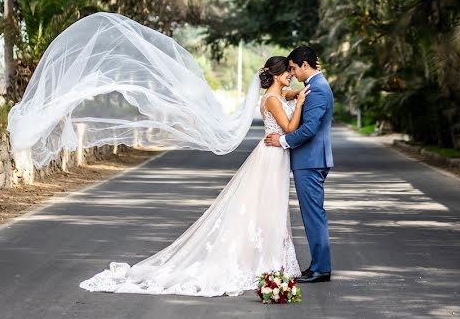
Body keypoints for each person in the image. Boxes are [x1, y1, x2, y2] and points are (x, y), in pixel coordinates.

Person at [79, 55, 310, 296]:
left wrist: (294, 95)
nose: (291, 75)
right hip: (271, 157)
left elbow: (286, 96)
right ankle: (266, 261)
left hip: (274, 155)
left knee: (270, 208)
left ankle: (271, 259)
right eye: (287, 72)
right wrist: (301, 102)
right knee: (268, 207)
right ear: (275, 74)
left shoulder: (276, 96)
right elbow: (290, 128)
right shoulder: (272, 99)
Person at [264, 46, 334, 283]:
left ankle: (321, 269)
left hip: (311, 160)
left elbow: (309, 129)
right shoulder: (313, 87)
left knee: (314, 214)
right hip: (309, 160)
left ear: (305, 65)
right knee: (312, 213)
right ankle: (316, 265)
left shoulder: (318, 90)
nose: (292, 73)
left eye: (293, 68)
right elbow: (282, 96)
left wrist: (282, 140)